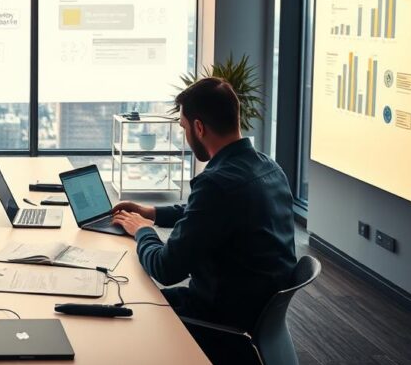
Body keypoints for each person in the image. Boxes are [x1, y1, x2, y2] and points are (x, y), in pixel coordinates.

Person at [112, 77, 297, 333]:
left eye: (183, 127)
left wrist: (142, 230)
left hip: (220, 320)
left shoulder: (216, 184)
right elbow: (207, 213)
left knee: (128, 303)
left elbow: (165, 269)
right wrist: (152, 213)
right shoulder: (269, 167)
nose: (185, 135)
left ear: (198, 127)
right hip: (254, 309)